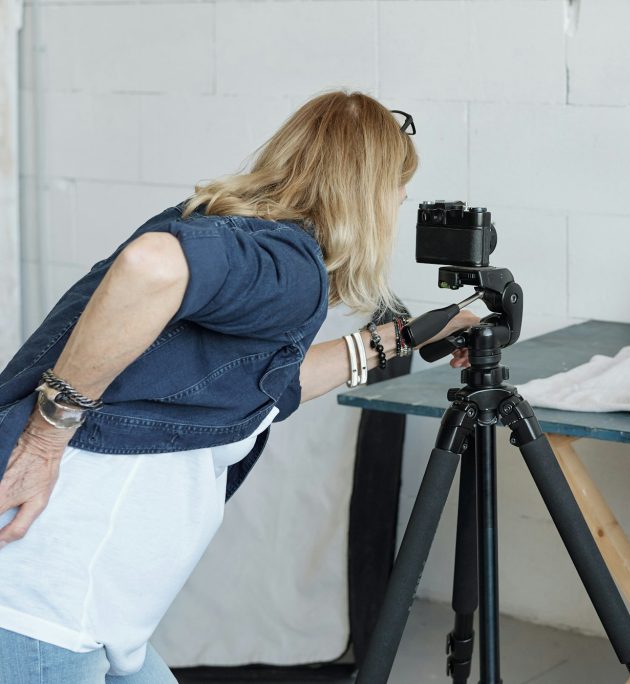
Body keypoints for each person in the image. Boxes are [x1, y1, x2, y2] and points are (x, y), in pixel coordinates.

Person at [0, 90, 475, 682]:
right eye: (399, 192)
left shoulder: (242, 232)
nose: (402, 203)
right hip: (48, 605)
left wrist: (402, 337)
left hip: (93, 615)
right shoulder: (289, 266)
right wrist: (48, 436)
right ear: (370, 194)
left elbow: (257, 386)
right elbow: (152, 266)